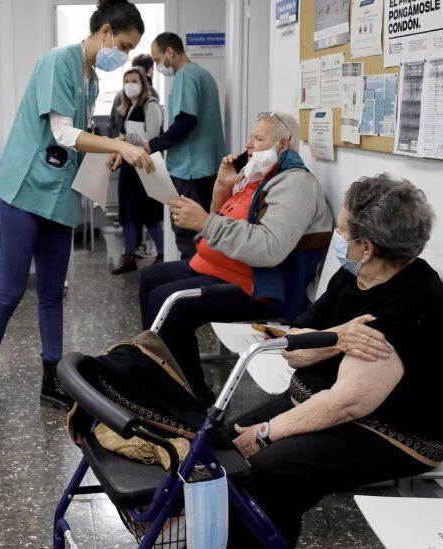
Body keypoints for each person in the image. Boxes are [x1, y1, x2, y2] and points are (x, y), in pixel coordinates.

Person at [179, 175, 443, 549]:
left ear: (366, 244)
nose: (338, 239)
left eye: (342, 231)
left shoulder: (412, 302)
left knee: (266, 472)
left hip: (394, 431)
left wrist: (267, 433)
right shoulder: (354, 278)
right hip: (329, 401)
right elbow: (296, 348)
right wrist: (337, 337)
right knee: (222, 447)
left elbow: (348, 404)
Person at [0, 0, 154, 423]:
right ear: (106, 32)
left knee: (53, 292)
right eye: (124, 47)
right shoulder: (58, 61)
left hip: (57, 196)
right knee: (11, 291)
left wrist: (107, 149)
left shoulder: (91, 79)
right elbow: (60, 133)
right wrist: (120, 146)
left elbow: (77, 138)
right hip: (21, 191)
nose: (125, 58)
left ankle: (51, 378)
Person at [140, 112, 332, 400]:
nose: (249, 144)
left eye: (258, 138)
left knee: (170, 303)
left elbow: (269, 248)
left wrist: (204, 222)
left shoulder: (295, 184)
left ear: (282, 145)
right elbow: (220, 225)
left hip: (261, 288)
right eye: (250, 137)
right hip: (225, 269)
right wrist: (222, 186)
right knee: (151, 277)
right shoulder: (257, 178)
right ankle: (161, 373)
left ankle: (192, 399)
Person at [146, 32, 226, 259]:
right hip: (208, 169)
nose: (157, 64)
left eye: (156, 58)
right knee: (205, 233)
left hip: (189, 171)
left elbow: (186, 120)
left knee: (187, 235)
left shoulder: (185, 76)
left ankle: (187, 286)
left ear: (170, 52)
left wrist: (154, 144)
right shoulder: (205, 75)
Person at [106, 67, 164, 274]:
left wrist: (124, 139)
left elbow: (153, 138)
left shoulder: (151, 105)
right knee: (128, 215)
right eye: (126, 81)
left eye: (134, 81)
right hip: (130, 169)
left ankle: (163, 254)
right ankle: (129, 256)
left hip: (146, 168)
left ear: (143, 84)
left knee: (149, 215)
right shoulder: (126, 108)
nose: (129, 85)